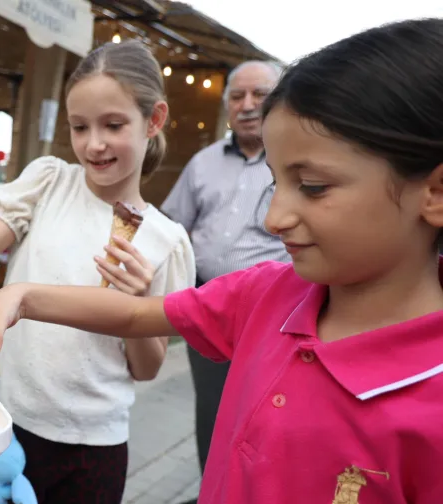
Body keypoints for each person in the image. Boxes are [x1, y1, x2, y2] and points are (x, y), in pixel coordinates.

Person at [0, 18, 443, 503]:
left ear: (434, 192)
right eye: (274, 182)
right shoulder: (268, 293)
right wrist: (17, 295)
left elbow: (144, 346)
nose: (274, 219)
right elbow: (136, 316)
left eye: (312, 186)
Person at [0, 40, 195, 503]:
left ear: (153, 120)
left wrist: (136, 301)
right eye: (79, 126)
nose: (94, 143)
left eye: (113, 125)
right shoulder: (50, 183)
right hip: (8, 424)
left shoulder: (166, 243)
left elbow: (148, 367)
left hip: (97, 446)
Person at [159, 59, 288, 500]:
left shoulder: (292, 159)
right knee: (212, 411)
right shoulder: (203, 162)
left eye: (260, 95)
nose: (247, 105)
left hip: (277, 315)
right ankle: (210, 490)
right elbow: (172, 228)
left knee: (267, 416)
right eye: (237, 96)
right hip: (209, 308)